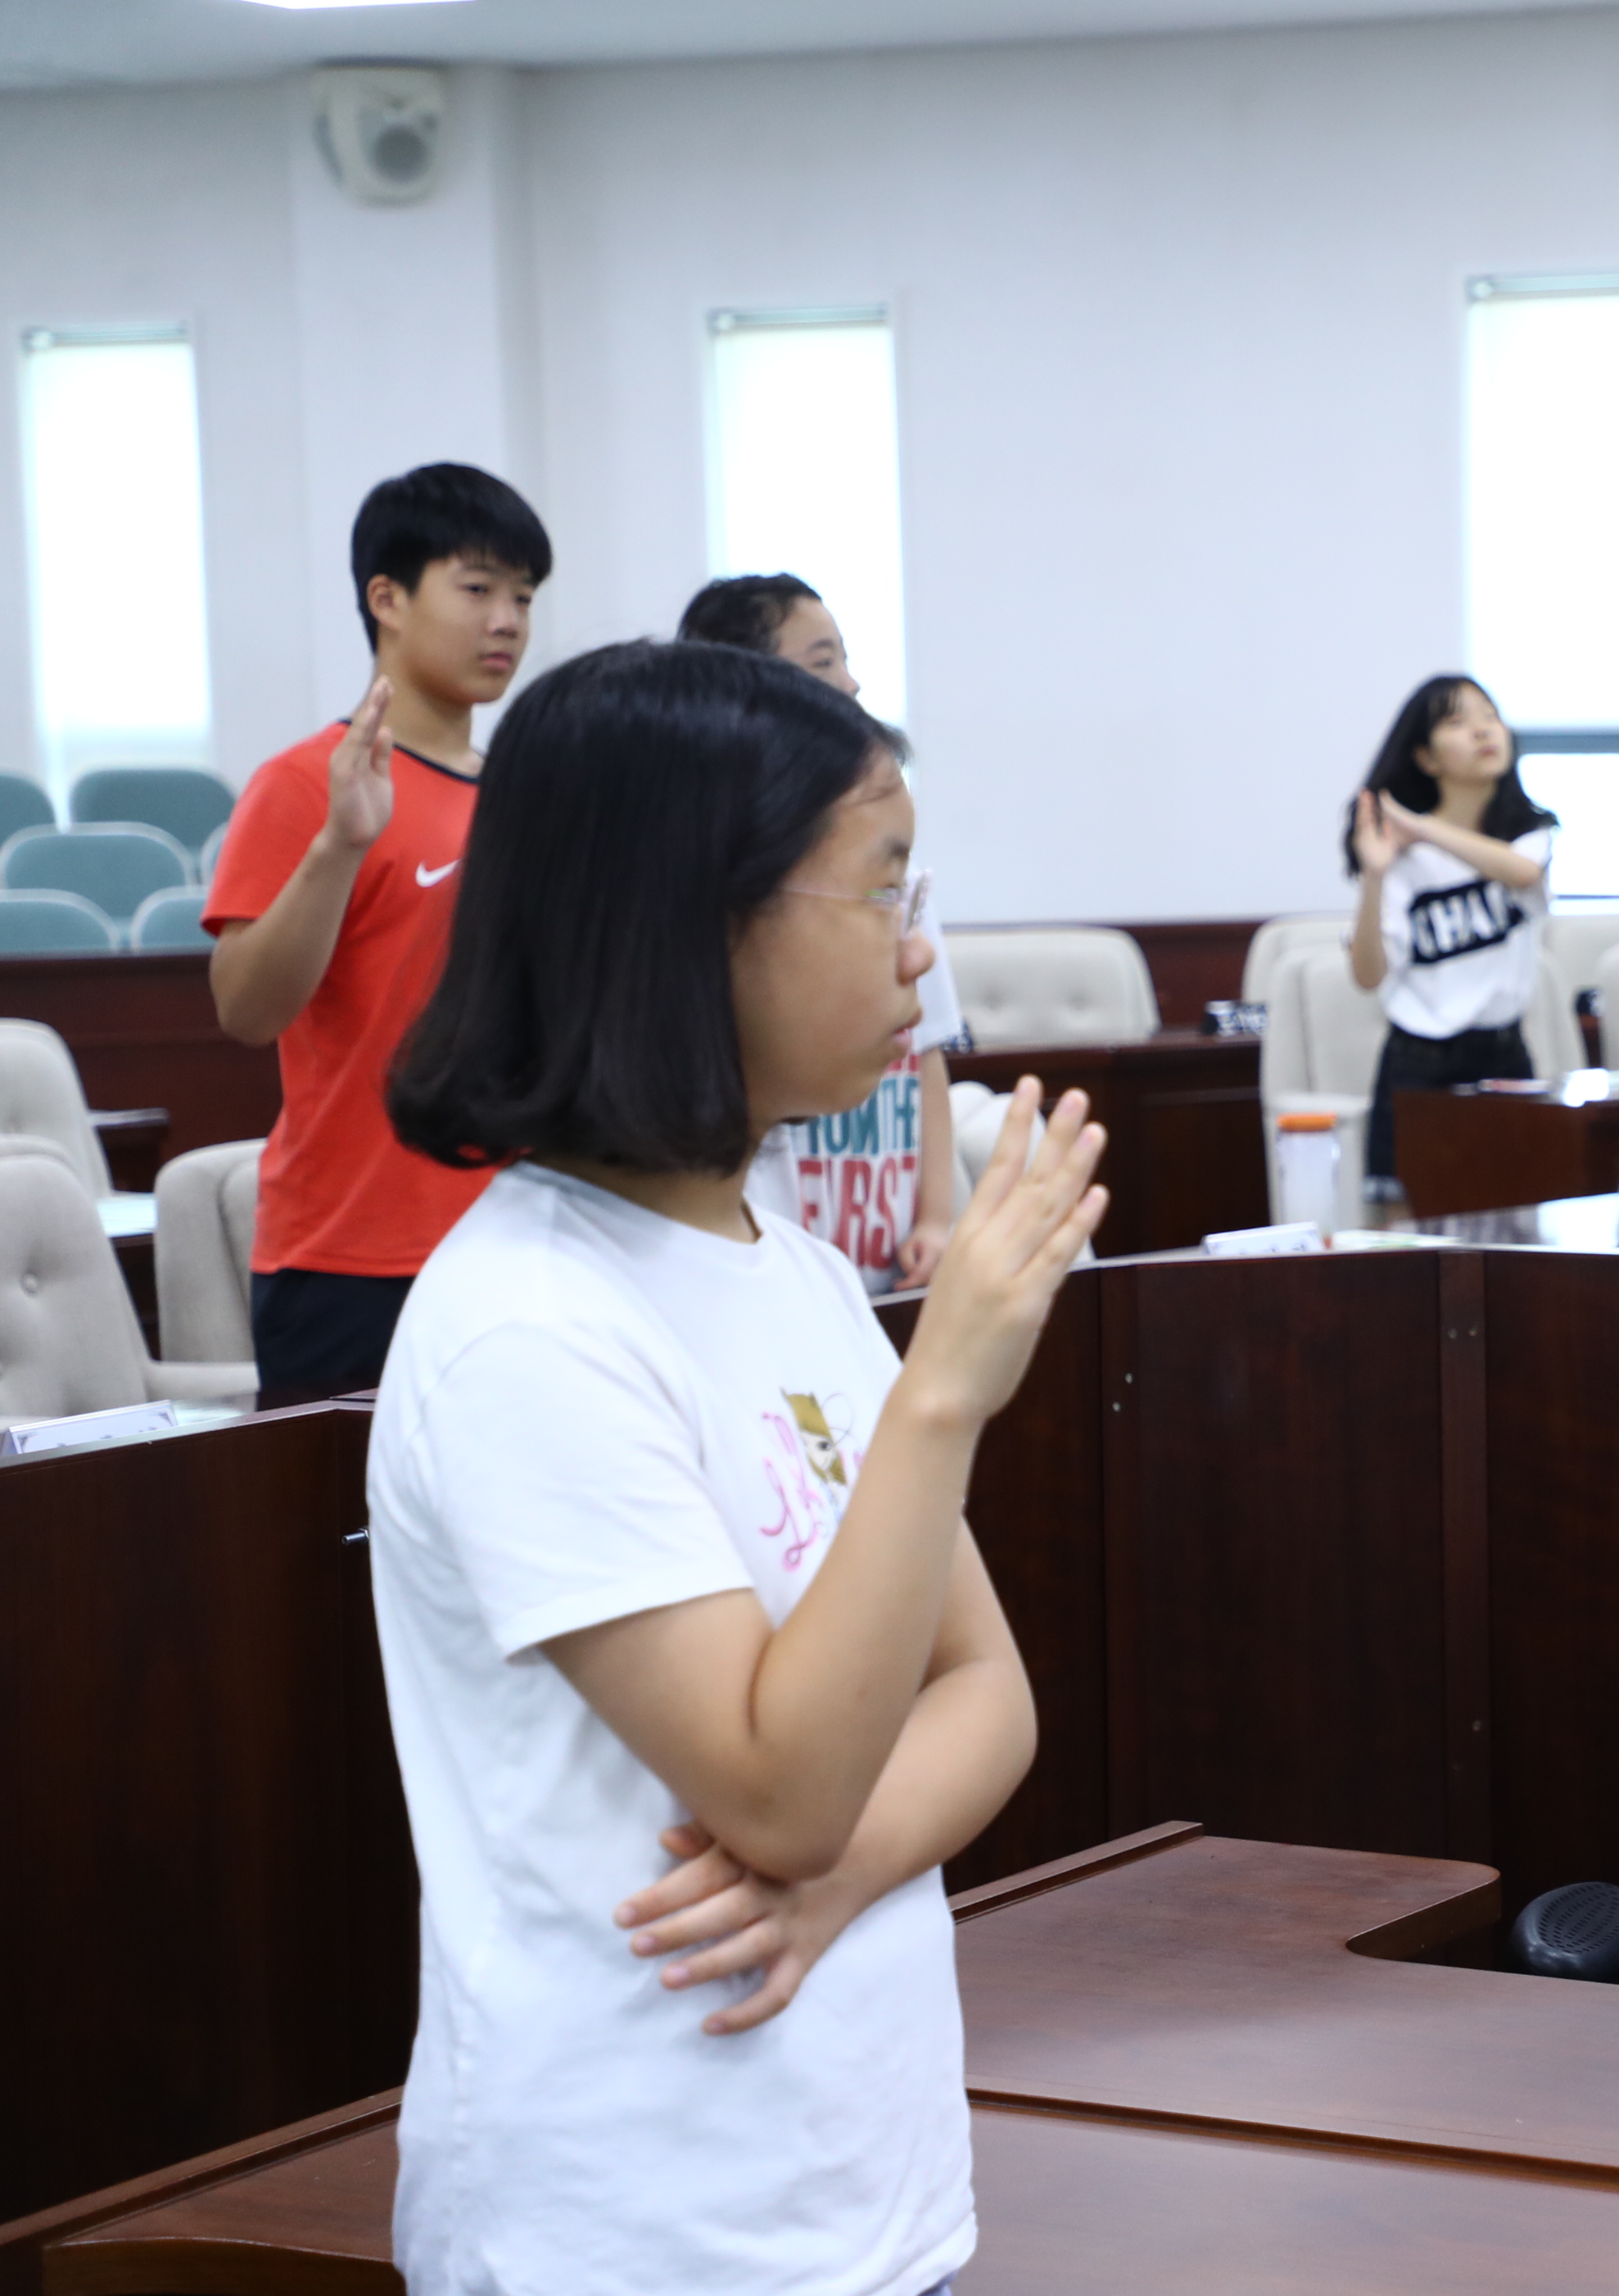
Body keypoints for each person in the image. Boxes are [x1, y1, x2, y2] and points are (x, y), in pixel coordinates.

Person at [373, 637, 1108, 2292]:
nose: (924, 948)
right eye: (881, 887)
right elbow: (775, 1780)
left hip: (859, 2192)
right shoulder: (529, 1326)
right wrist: (944, 1395)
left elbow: (988, 1693)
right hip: (629, 2224)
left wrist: (830, 1874)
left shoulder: (788, 1266)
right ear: (694, 916)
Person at [203, 463, 552, 1402]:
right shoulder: (307, 780)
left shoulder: (523, 795)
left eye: (523, 595)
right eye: (478, 588)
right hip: (352, 1262)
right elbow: (244, 1006)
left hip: (521, 1241)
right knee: (350, 1550)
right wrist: (339, 845)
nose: (508, 620)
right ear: (386, 598)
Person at [681, 573, 965, 1293]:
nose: (850, 683)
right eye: (821, 663)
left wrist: (937, 1218)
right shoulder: (720, 888)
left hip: (884, 1264)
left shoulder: (889, 867)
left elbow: (926, 1056)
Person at [1342, 674, 1558, 1204]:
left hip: (1504, 1055)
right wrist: (1375, 875)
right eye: (1458, 722)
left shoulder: (1530, 832)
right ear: (1426, 757)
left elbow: (1522, 874)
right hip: (1418, 1063)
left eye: (1490, 716)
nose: (1484, 731)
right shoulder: (1400, 860)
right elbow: (1368, 976)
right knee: (1410, 1229)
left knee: (1518, 1215)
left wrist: (1422, 827)